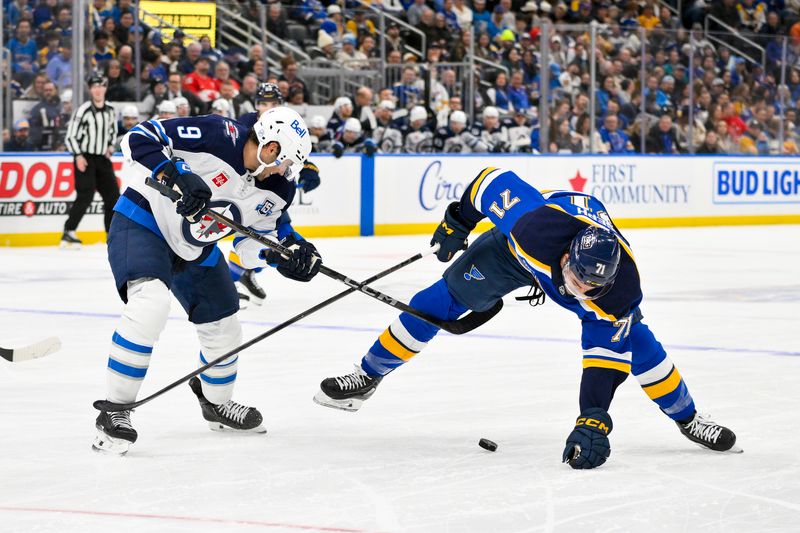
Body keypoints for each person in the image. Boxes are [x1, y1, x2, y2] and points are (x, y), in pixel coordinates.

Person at [314, 167, 739, 469]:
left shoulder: (617, 293)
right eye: (573, 276)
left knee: (638, 346)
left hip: (569, 273)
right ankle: (367, 376)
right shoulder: (534, 228)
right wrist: (458, 220)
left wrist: (593, 417)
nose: (576, 287)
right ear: (568, 254)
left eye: (589, 285)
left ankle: (688, 419)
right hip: (511, 255)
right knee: (433, 303)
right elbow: (489, 181)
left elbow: (602, 361)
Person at [94, 106, 320, 455]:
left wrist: (279, 256)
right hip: (144, 221)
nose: (286, 171)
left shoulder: (277, 189)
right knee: (150, 304)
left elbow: (249, 244)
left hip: (196, 248)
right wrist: (178, 174)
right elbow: (139, 137)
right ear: (270, 148)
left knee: (225, 326)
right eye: (286, 161)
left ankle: (216, 404)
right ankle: (115, 410)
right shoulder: (218, 134)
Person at [227, 83, 323, 306]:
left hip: (267, 193)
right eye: (263, 103)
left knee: (273, 237)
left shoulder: (285, 122)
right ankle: (228, 280)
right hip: (237, 192)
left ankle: (244, 273)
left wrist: (308, 167)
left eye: (273, 103)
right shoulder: (246, 124)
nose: (267, 107)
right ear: (256, 104)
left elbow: (291, 154)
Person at [62, 75, 119, 249]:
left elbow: (113, 131)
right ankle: (69, 231)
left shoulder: (110, 109)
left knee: (113, 197)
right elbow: (70, 136)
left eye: (101, 86)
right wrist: (78, 156)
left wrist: (110, 146)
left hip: (102, 158)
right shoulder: (83, 110)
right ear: (90, 89)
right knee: (85, 195)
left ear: (105, 88)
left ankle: (111, 234)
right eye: (95, 86)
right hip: (85, 158)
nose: (98, 89)